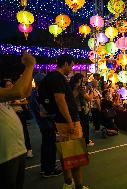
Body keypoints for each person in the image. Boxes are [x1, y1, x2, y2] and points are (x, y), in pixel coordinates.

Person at [41, 55, 89, 189]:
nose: (71, 69)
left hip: (61, 121)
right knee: (75, 158)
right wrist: (70, 122)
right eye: (71, 65)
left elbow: (64, 99)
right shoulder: (58, 78)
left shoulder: (52, 77)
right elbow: (60, 101)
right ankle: (77, 186)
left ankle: (68, 183)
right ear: (66, 64)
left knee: (66, 155)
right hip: (68, 122)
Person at [0, 53, 36, 189]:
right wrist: (29, 65)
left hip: (15, 150)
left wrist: (30, 70)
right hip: (5, 155)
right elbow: (17, 92)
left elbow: (25, 92)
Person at [29, 73, 62, 177]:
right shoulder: (38, 94)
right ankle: (49, 170)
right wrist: (55, 113)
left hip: (44, 124)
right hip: (46, 124)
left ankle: (45, 168)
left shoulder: (34, 93)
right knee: (50, 147)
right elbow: (43, 113)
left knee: (46, 147)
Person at [3, 79, 34, 158]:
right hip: (9, 117)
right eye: (8, 85)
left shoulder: (16, 94)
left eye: (11, 84)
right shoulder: (4, 95)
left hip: (19, 114)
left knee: (24, 132)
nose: (10, 86)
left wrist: (17, 102)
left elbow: (25, 101)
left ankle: (29, 149)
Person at [70, 73, 94, 147]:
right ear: (80, 79)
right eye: (83, 78)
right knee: (85, 126)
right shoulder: (79, 88)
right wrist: (92, 91)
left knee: (80, 126)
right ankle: (86, 141)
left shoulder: (72, 87)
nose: (85, 79)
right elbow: (89, 98)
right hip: (82, 110)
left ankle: (82, 141)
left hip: (76, 110)